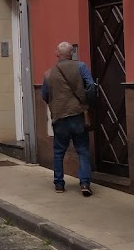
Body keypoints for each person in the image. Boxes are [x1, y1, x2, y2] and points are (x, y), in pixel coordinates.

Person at [41, 41, 97, 197]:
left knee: (59, 152)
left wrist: (55, 104)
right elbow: (91, 86)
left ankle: (59, 184)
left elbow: (44, 95)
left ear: (57, 54)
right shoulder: (81, 67)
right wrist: (89, 103)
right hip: (78, 114)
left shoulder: (49, 73)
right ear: (71, 54)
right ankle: (85, 183)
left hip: (59, 117)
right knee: (83, 151)